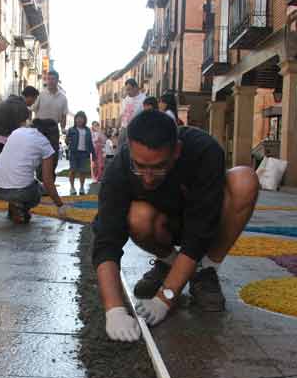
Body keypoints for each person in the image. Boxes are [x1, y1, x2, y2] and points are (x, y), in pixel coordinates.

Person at [93, 110, 259, 342]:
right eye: (140, 166)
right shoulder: (119, 169)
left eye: (159, 167)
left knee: (244, 180)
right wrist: (114, 310)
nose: (148, 177)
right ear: (130, 150)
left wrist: (165, 298)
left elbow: (199, 232)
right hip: (162, 227)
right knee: (136, 216)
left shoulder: (204, 150)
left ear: (177, 151)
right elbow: (106, 240)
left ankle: (205, 270)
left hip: (204, 224)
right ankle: (168, 262)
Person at [0, 119, 69, 224]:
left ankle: (14, 206)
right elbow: (47, 181)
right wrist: (60, 205)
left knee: (22, 182)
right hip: (18, 191)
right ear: (52, 135)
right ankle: (20, 208)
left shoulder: (17, 132)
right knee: (39, 190)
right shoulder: (45, 144)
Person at [0, 86, 40, 198]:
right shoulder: (22, 108)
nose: (34, 102)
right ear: (30, 97)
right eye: (34, 99)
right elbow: (20, 130)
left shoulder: (12, 100)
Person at [66, 111, 97, 195]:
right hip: (73, 153)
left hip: (84, 153)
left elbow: (90, 143)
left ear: (84, 120)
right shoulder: (71, 129)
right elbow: (67, 141)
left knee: (82, 171)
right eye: (78, 118)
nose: (79, 120)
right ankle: (72, 187)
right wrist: (67, 140)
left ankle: (82, 187)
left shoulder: (87, 130)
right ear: (75, 119)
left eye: (81, 118)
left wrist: (94, 156)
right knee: (72, 170)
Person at [118, 78, 146, 151]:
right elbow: (122, 114)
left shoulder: (143, 99)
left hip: (135, 129)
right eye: (126, 90)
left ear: (136, 87)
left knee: (130, 152)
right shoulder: (126, 99)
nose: (127, 92)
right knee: (119, 151)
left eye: (129, 89)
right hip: (123, 129)